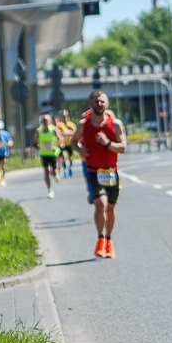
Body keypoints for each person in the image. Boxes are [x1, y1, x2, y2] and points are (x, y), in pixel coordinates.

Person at [71, 91, 127, 258]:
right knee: (100, 205)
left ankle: (109, 240)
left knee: (110, 207)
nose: (99, 104)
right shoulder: (83, 125)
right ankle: (100, 238)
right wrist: (81, 150)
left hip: (111, 171)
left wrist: (108, 143)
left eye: (102, 101)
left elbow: (123, 147)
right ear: (91, 103)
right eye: (96, 101)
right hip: (93, 171)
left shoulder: (115, 124)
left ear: (107, 104)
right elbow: (73, 142)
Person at [34, 114, 60, 198]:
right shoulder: (39, 131)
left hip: (52, 153)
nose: (45, 122)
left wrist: (56, 146)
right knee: (46, 171)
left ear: (50, 121)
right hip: (44, 154)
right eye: (44, 121)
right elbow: (34, 142)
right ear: (42, 122)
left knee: (54, 171)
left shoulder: (54, 130)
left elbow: (60, 139)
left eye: (47, 120)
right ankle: (50, 189)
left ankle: (56, 173)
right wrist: (37, 146)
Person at [57, 108, 77, 178]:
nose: (64, 119)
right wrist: (64, 133)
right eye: (63, 117)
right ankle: (65, 169)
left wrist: (70, 133)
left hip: (70, 143)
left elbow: (75, 132)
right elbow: (58, 132)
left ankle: (70, 168)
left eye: (65, 117)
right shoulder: (59, 125)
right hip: (63, 143)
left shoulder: (71, 125)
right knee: (63, 156)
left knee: (70, 157)